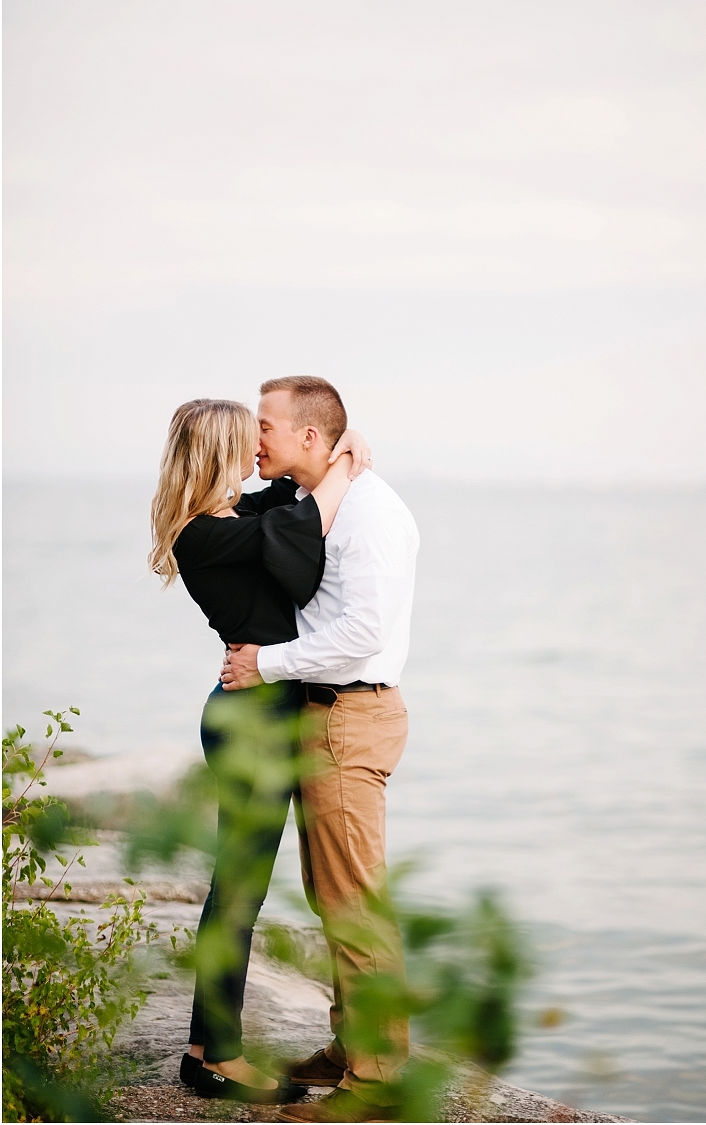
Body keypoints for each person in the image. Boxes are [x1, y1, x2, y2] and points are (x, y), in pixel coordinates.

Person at [149, 397, 370, 1106]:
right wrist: (344, 464)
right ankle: (221, 1059)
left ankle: (200, 1050)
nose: (256, 453)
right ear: (217, 450)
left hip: (258, 710)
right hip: (250, 721)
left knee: (237, 889)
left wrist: (329, 451)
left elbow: (282, 498)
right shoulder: (202, 535)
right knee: (238, 893)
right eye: (246, 442)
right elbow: (302, 521)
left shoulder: (234, 516)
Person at [220, 376, 419, 1124]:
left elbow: (363, 634)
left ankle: (376, 1083)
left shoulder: (368, 513)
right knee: (332, 897)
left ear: (309, 435)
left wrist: (263, 664)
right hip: (324, 715)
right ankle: (351, 1048)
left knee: (355, 903)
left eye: (264, 425)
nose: (254, 439)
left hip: (349, 715)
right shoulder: (323, 499)